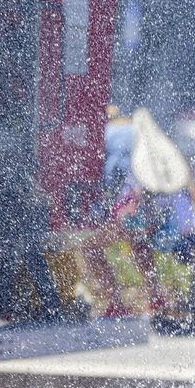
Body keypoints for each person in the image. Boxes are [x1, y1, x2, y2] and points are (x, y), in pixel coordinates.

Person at [80, 105, 166, 318]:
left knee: (89, 248)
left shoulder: (106, 134)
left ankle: (116, 302)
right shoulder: (136, 130)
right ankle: (156, 298)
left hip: (127, 203)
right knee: (138, 245)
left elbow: (112, 172)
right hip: (146, 201)